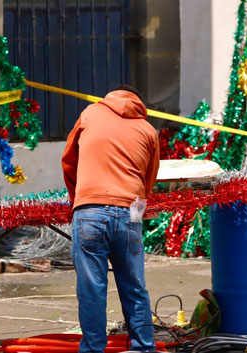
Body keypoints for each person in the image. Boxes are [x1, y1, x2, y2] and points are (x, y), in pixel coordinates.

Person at [61, 85, 160, 353]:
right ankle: (143, 348)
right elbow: (148, 182)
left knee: (92, 289)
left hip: (90, 211)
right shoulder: (148, 130)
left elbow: (68, 161)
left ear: (111, 96)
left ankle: (93, 349)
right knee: (135, 288)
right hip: (130, 213)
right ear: (138, 101)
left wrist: (78, 199)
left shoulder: (90, 114)